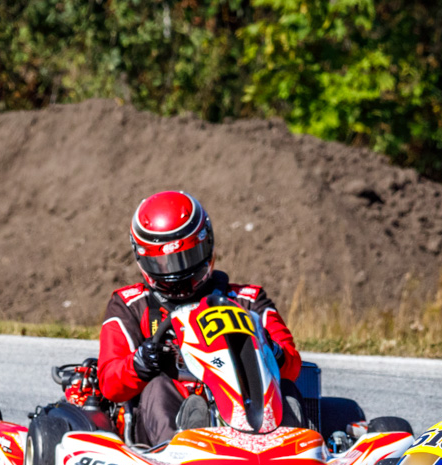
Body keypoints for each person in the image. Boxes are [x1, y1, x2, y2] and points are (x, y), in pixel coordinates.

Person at [97, 190, 302, 445]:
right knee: (158, 387)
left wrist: (271, 350)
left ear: (206, 246)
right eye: (165, 264)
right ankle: (181, 448)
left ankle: (289, 451)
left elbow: (293, 366)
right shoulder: (130, 305)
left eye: (187, 258)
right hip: (168, 423)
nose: (178, 273)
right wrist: (139, 364)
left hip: (247, 406)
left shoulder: (248, 300)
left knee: (287, 390)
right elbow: (110, 383)